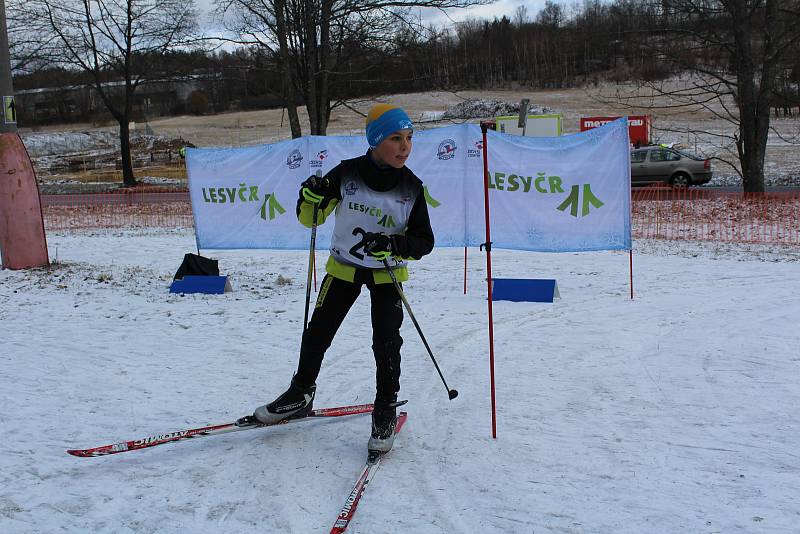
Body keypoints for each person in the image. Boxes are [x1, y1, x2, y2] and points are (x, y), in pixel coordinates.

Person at [252, 104, 435, 453]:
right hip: (344, 268)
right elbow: (312, 217)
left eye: (409, 139)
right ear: (376, 139)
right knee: (318, 330)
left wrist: (394, 244)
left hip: (386, 275)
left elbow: (424, 242)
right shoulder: (347, 173)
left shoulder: (412, 187)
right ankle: (300, 393)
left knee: (386, 341)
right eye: (395, 138)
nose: (404, 147)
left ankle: (385, 407)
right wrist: (310, 197)